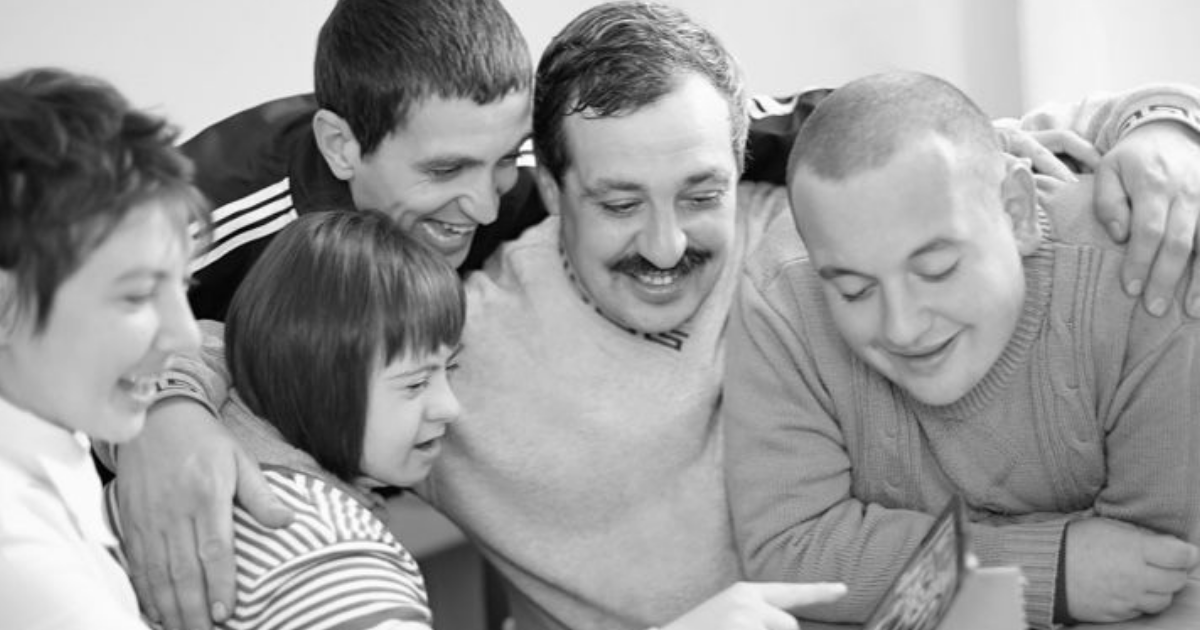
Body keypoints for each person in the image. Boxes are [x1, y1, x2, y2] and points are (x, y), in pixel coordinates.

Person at [112, 1, 1200, 629]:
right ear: (558, 184)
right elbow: (240, 351)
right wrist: (169, 409)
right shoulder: (450, 338)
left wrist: (1164, 133)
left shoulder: (817, 213)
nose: (670, 244)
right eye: (620, 203)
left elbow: (992, 143)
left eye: (698, 195)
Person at [722, 71, 1200, 630]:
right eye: (854, 290)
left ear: (1016, 214)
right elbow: (790, 551)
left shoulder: (1149, 275)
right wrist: (1042, 570)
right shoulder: (782, 292)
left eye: (936, 269)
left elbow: (1156, 571)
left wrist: (1166, 120)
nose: (901, 328)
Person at [108, 209, 466, 629]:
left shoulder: (164, 473)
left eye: (450, 369)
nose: (450, 406)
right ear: (315, 378)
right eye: (415, 384)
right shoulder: (338, 570)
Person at [0, 68, 203, 629]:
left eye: (183, 287)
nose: (185, 334)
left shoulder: (55, 434)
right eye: (138, 295)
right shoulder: (16, 550)